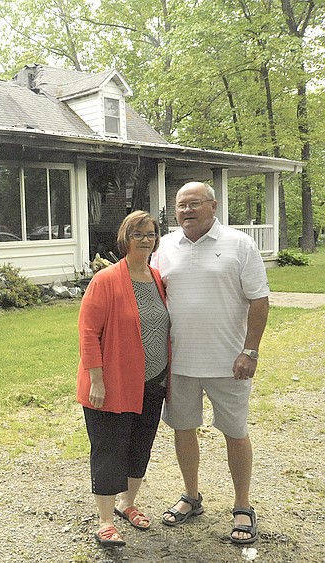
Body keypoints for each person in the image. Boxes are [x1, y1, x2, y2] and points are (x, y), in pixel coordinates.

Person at [152, 181, 268, 545]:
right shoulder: (165, 246)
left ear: (213, 206)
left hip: (228, 362)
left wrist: (250, 351)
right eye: (181, 205)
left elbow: (259, 300)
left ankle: (242, 505)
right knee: (182, 429)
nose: (187, 211)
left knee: (235, 432)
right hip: (180, 362)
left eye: (195, 204)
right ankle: (191, 495)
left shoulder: (240, 244)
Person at [77, 210, 171, 547]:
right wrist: (96, 381)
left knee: (139, 447)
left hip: (153, 382)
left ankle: (127, 504)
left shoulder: (158, 277)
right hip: (113, 383)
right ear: (125, 238)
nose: (145, 239)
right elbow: (88, 333)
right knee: (109, 447)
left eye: (151, 233)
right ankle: (105, 521)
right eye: (138, 234)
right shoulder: (106, 279)